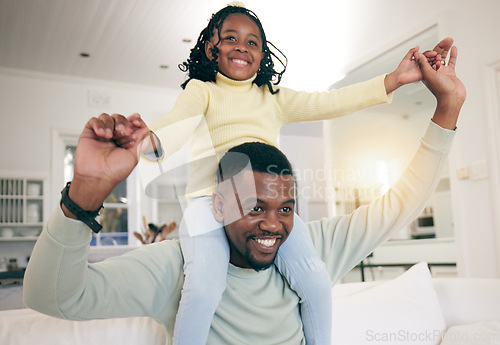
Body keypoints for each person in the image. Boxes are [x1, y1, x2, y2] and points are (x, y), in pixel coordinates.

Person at [23, 44, 465, 345]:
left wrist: (448, 107)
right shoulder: (178, 267)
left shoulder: (312, 249)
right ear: (218, 206)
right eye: (255, 207)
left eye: (285, 207)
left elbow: (403, 200)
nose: (273, 224)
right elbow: (52, 298)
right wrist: (84, 193)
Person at [142, 3, 454, 344]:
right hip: (209, 204)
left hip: (265, 205)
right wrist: (146, 142)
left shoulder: (272, 97)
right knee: (203, 287)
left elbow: (331, 102)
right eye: (230, 38)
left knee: (316, 283)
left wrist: (394, 80)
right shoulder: (201, 90)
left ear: (262, 55)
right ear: (210, 48)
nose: (242, 47)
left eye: (252, 42)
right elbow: (175, 126)